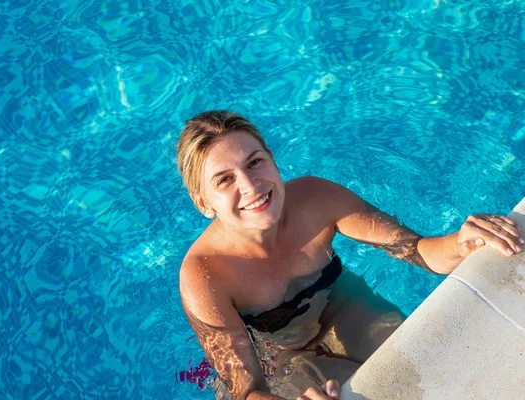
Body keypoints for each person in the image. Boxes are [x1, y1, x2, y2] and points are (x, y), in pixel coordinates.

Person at [177, 110, 524, 400]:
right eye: (224, 180)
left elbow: (415, 250)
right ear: (204, 203)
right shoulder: (205, 274)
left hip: (339, 303)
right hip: (280, 353)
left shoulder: (316, 198)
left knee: (430, 369)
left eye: (255, 162)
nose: (250, 186)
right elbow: (247, 389)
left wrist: (460, 242)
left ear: (273, 160)